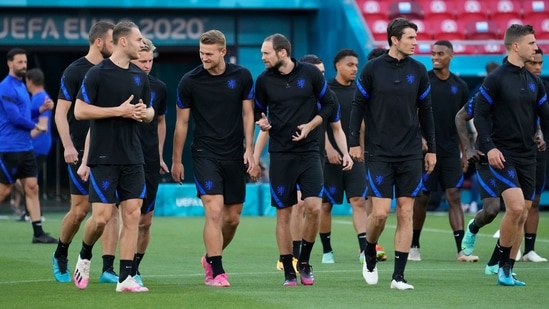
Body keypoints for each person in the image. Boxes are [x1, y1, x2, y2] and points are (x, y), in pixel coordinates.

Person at [348, 17, 436, 290]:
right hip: (379, 151)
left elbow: (427, 112)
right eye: (410, 37)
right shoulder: (372, 69)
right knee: (381, 214)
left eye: (416, 37)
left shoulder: (420, 70)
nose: (415, 42)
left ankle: (398, 276)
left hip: (410, 152)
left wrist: (431, 148)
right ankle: (370, 249)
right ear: (394, 40)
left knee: (406, 211)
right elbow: (358, 106)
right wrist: (353, 143)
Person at [72, 20, 153, 292]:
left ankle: (126, 278)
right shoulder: (97, 73)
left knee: (132, 214)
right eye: (138, 39)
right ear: (122, 41)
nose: (142, 43)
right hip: (104, 157)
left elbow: (149, 111)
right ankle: (84, 254)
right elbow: (80, 111)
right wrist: (118, 111)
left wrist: (144, 113)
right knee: (102, 217)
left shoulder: (140, 76)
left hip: (133, 156)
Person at [171, 29, 255, 288]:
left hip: (234, 154)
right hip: (204, 153)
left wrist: (250, 150)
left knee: (232, 218)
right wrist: (176, 160)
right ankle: (217, 272)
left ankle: (209, 258)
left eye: (208, 54)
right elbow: (182, 123)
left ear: (222, 52)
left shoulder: (241, 76)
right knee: (215, 211)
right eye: (201, 53)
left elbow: (248, 115)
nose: (203, 58)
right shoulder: (189, 81)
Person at [255, 33, 338, 286]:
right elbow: (256, 110)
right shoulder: (263, 80)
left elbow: (329, 105)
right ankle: (288, 269)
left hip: (310, 152)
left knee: (313, 208)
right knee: (284, 212)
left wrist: (311, 125)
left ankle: (304, 261)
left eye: (266, 53)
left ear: (282, 53)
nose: (262, 58)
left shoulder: (310, 74)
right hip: (280, 154)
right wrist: (263, 121)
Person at [473, 24, 549, 286]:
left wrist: (544, 136)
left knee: (522, 214)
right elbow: (479, 114)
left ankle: (504, 268)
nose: (536, 47)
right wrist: (489, 146)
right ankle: (501, 266)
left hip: (528, 155)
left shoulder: (534, 81)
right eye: (531, 43)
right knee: (515, 207)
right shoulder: (495, 79)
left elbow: (545, 117)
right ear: (516, 46)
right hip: (502, 155)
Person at [52, 21, 121, 284]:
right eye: (113, 41)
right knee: (80, 211)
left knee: (110, 210)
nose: (117, 46)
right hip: (79, 150)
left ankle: (107, 268)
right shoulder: (75, 71)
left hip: (108, 150)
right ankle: (60, 252)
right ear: (100, 42)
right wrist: (69, 146)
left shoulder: (116, 71)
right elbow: (60, 112)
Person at [408, 40, 476, 262]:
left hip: (449, 151)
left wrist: (465, 152)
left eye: (440, 53)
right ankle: (414, 245)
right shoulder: (423, 81)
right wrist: (420, 138)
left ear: (451, 56)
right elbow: (413, 113)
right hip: (427, 150)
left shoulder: (460, 86)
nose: (435, 56)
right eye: (433, 53)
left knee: (454, 196)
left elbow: (462, 123)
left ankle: (461, 250)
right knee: (423, 197)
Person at [0, 48, 57, 244]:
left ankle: (38, 233)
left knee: (32, 187)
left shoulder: (22, 86)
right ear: (10, 63)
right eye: (19, 62)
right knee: (4, 190)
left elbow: (25, 113)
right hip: (10, 147)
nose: (23, 65)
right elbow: (15, 118)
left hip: (26, 147)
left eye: (25, 62)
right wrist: (36, 125)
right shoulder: (6, 87)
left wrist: (41, 108)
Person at [318, 49, 367, 264]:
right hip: (330, 158)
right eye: (350, 64)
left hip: (354, 156)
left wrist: (360, 148)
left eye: (356, 65)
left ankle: (364, 250)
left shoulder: (360, 91)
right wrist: (328, 148)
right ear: (337, 65)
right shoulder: (325, 89)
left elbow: (362, 124)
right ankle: (327, 250)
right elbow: (321, 121)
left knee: (358, 201)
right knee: (326, 204)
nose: (354, 68)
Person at [130, 37, 169, 286]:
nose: (146, 65)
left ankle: (134, 267)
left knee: (145, 221)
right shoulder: (119, 82)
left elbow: (161, 122)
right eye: (142, 60)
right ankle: (114, 265)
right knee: (126, 215)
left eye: (150, 61)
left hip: (150, 159)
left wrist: (160, 155)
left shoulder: (160, 88)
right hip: (124, 157)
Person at [12, 68, 54, 222]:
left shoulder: (41, 98)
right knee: (26, 179)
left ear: (30, 81)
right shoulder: (38, 98)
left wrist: (23, 138)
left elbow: (43, 125)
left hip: (36, 145)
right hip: (36, 145)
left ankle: (35, 211)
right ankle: (31, 210)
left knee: (24, 179)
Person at [521, 47, 548, 263]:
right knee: (515, 204)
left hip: (537, 151)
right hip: (512, 151)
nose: (538, 67)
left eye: (540, 63)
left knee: (534, 200)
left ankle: (529, 249)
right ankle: (507, 247)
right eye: (534, 62)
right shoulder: (511, 85)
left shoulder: (542, 88)